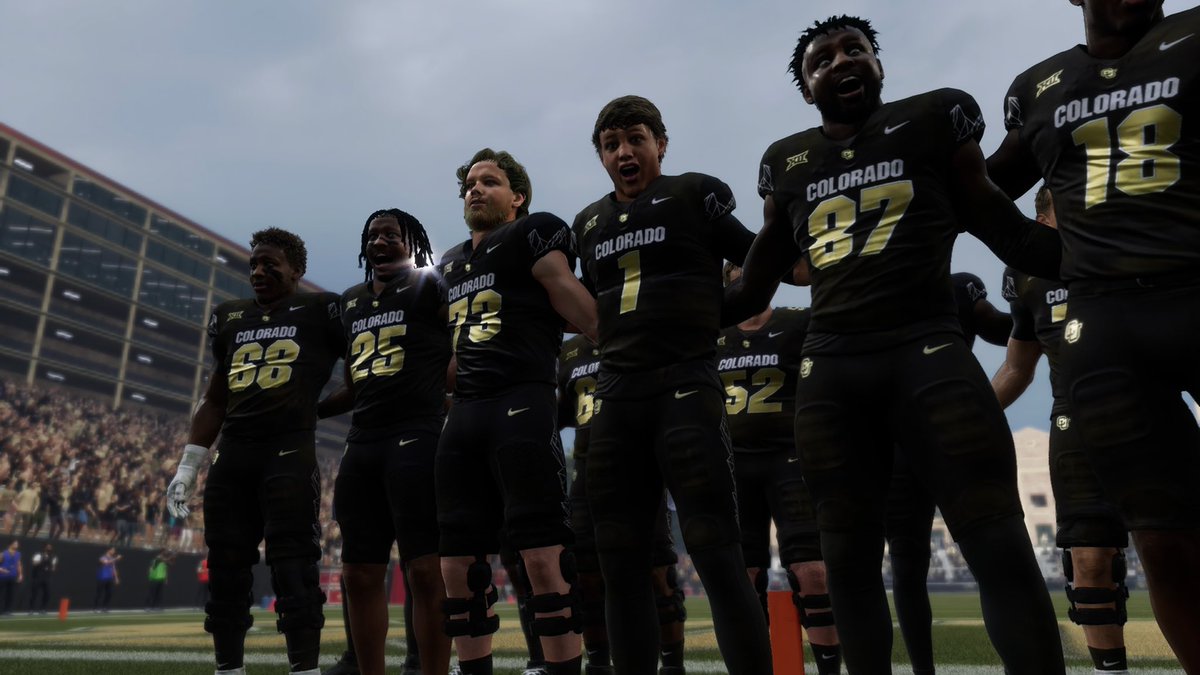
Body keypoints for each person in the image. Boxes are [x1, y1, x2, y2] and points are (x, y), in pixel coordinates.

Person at [723, 16, 1066, 673]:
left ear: (879, 63)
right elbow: (750, 287)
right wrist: (656, 313)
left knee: (997, 542)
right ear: (805, 87)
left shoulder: (932, 121)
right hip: (834, 372)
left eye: (855, 49)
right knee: (848, 560)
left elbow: (1011, 233)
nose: (841, 61)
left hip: (926, 352)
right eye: (822, 59)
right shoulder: (788, 163)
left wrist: (1109, 248)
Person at [986, 2, 1200, 668]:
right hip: (1106, 322)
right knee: (1160, 541)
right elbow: (977, 190)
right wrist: (1038, 254)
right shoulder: (1040, 88)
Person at [572, 95, 772, 675]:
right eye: (611, 144)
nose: (624, 152)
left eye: (635, 139)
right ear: (601, 156)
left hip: (684, 385)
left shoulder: (692, 194)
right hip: (616, 395)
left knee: (717, 553)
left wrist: (709, 316)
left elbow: (760, 262)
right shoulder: (588, 222)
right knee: (619, 564)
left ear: (660, 143)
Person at [436, 148, 597, 675]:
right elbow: (457, 350)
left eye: (490, 181)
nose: (475, 189)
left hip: (521, 401)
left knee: (543, 555)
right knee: (457, 564)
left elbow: (573, 300)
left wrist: (628, 347)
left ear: (517, 197)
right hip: (465, 412)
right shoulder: (450, 262)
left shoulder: (533, 231)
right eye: (470, 183)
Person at [164, 227, 345, 675]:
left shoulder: (322, 310)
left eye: (270, 264)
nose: (259, 272)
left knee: (294, 566)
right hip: (233, 455)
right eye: (254, 265)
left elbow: (363, 369)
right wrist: (188, 466)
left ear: (296, 270)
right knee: (225, 566)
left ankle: (304, 669)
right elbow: (215, 399)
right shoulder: (230, 317)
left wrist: (316, 409)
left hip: (288, 451)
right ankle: (228, 668)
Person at [990, 185, 1132, 674]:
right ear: (1043, 220)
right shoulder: (1024, 275)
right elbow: (1017, 368)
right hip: (1074, 423)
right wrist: (965, 417)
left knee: (1172, 549)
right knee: (1088, 561)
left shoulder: (1128, 247)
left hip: (1145, 412)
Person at [316, 208, 451, 675]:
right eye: (373, 235)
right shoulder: (351, 301)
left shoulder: (431, 286)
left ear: (412, 243)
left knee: (424, 571)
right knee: (357, 572)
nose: (379, 242)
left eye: (391, 235)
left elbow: (465, 343)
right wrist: (309, 409)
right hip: (363, 441)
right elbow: (355, 385)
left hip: (417, 434)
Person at [718, 263, 841, 674]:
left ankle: (828, 668)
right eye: (738, 272)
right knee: (745, 574)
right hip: (734, 464)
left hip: (789, 458)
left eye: (755, 270)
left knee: (812, 571)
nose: (747, 279)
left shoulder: (796, 323)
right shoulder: (713, 334)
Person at [885, 271, 1011, 675]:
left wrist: (1038, 306)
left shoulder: (957, 286)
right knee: (910, 565)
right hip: (922, 435)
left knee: (990, 556)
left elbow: (1003, 329)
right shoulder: (872, 287)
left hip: (945, 432)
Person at [557, 334, 688, 675]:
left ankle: (673, 665)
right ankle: (599, 664)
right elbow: (562, 411)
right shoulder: (569, 352)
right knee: (586, 574)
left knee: (658, 571)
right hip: (586, 470)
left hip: (639, 463)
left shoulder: (635, 332)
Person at [28, 542, 56, 614]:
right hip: (38, 576)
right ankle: (31, 609)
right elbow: (34, 563)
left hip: (47, 577)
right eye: (48, 547)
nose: (49, 548)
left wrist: (50, 567)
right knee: (34, 593)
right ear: (44, 547)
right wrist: (41, 561)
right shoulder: (39, 555)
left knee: (47, 593)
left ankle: (43, 609)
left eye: (50, 547)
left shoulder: (53, 557)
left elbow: (53, 568)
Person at [94, 547, 120, 612]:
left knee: (109, 593)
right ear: (108, 550)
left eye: (114, 550)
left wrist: (116, 578)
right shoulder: (103, 557)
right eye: (112, 550)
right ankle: (95, 608)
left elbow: (114, 568)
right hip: (102, 577)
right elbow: (106, 563)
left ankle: (104, 607)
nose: (114, 552)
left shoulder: (112, 559)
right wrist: (116, 559)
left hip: (109, 578)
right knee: (99, 593)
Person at [0, 540, 21, 614]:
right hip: (3, 577)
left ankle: (7, 610)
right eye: (15, 544)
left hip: (12, 576)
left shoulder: (18, 554)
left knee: (10, 594)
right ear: (10, 545)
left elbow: (18, 564)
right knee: (2, 594)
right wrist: (2, 570)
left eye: (17, 544)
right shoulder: (3, 554)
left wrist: (20, 574)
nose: (17, 545)